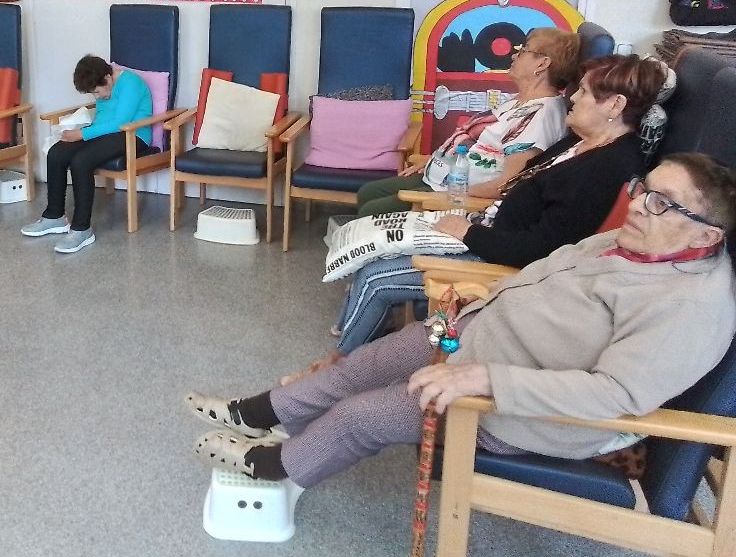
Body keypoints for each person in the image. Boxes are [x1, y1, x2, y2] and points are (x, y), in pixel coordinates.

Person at [187, 152, 736, 493]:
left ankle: (277, 465)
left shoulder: (688, 307)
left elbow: (615, 394)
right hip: (478, 332)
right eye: (644, 189)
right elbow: (544, 273)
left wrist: (485, 378)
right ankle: (259, 412)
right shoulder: (629, 243)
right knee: (362, 365)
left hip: (517, 406)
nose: (637, 206)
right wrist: (480, 301)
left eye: (663, 203)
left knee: (362, 417)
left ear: (706, 235)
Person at [334, 54, 667, 351]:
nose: (573, 98)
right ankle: (362, 348)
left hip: (500, 260)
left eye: (583, 91)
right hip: (487, 229)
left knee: (375, 278)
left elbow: (543, 249)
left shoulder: (605, 169)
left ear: (615, 105)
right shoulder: (579, 144)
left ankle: (340, 367)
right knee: (372, 245)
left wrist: (467, 232)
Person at [356, 28, 579, 218]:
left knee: (371, 210)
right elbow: (477, 146)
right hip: (443, 179)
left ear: (543, 63)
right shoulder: (520, 101)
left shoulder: (540, 116)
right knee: (368, 192)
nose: (514, 56)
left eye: (522, 51)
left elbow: (508, 184)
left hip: (458, 196)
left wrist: (454, 194)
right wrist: (434, 161)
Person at [21, 55, 151, 253]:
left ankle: (82, 229)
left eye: (97, 91)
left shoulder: (131, 83)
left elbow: (120, 123)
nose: (97, 97)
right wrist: (79, 132)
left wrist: (81, 135)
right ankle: (54, 216)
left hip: (133, 135)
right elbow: (102, 121)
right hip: (104, 134)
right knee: (56, 153)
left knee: (81, 161)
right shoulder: (105, 84)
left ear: (107, 78)